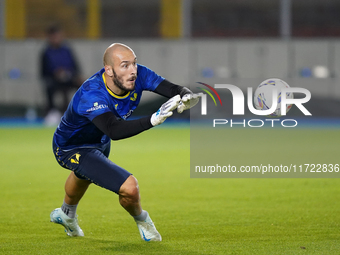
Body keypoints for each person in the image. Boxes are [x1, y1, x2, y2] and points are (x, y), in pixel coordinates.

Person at [50, 43, 200, 241]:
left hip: (99, 140)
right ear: (109, 70)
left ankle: (66, 214)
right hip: (72, 147)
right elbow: (114, 130)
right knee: (130, 188)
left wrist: (186, 94)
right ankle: (142, 220)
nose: (133, 71)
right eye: (125, 65)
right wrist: (153, 119)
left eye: (134, 64)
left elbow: (172, 88)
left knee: (82, 175)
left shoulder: (139, 75)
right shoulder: (92, 93)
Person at [40, 25, 82, 120]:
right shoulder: (46, 52)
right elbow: (43, 72)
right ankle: (52, 112)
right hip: (53, 80)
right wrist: (55, 74)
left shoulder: (67, 50)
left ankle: (81, 111)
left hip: (69, 78)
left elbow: (75, 66)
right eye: (54, 36)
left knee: (82, 86)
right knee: (49, 87)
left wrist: (73, 74)